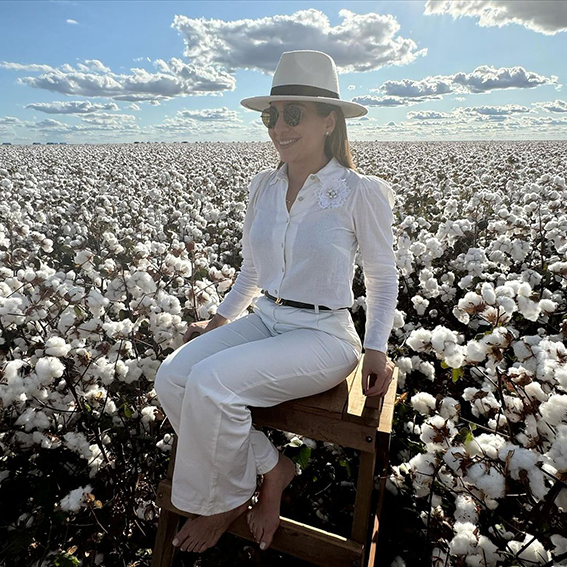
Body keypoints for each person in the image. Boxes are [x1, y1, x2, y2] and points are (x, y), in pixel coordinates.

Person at [153, 49, 398, 556]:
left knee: (211, 383)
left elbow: (381, 275)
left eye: (294, 114)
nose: (279, 127)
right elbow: (252, 270)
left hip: (323, 336)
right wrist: (221, 319)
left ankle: (226, 502)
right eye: (272, 115)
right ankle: (272, 466)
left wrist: (376, 346)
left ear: (329, 121)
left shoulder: (360, 191)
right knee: (173, 377)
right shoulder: (262, 186)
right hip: (266, 317)